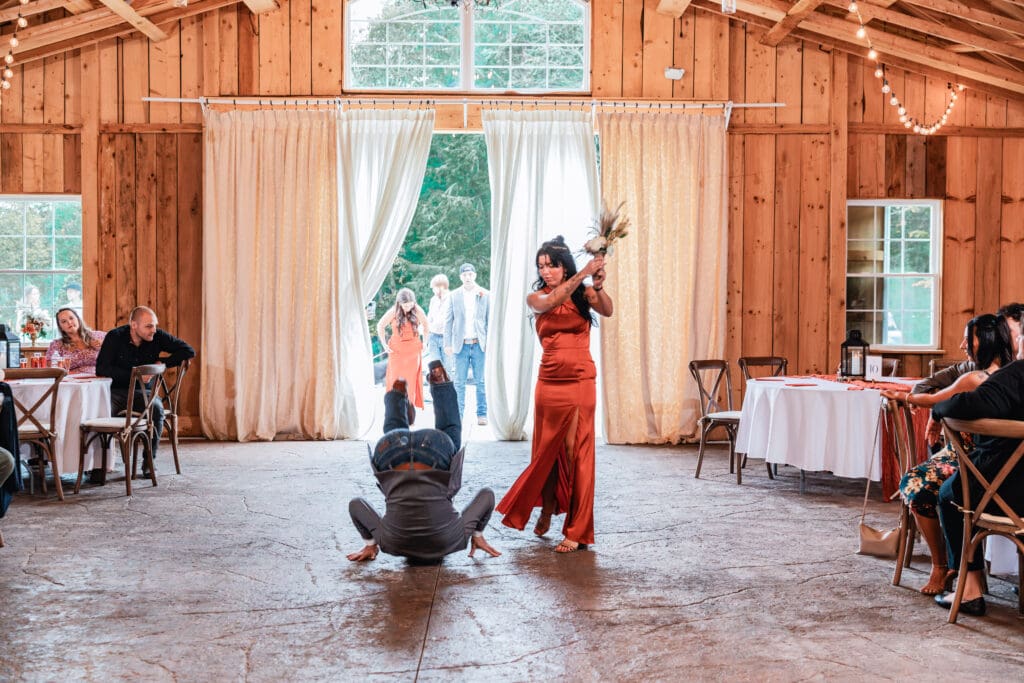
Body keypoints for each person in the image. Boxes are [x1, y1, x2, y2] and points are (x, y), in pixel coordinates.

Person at [882, 314, 1014, 595]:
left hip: (970, 462)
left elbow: (935, 400)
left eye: (970, 338)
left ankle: (942, 566)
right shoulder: (1012, 377)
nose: (964, 344)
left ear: (986, 340)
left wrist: (904, 398)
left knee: (915, 484)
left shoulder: (975, 379)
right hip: (1005, 466)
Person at [496, 237, 613, 553]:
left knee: (577, 454)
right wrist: (583, 272)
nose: (546, 271)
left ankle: (577, 529)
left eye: (552, 265)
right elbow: (549, 302)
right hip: (548, 382)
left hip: (579, 381)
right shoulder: (536, 298)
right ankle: (547, 507)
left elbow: (609, 311)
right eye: (541, 266)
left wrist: (597, 286)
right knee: (546, 451)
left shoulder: (583, 294)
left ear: (564, 266)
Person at [347, 361, 501, 563]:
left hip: (435, 449)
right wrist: (370, 542)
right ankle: (397, 395)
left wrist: (477, 534)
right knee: (396, 439)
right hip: (391, 452)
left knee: (450, 430)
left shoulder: (455, 539)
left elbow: (487, 495)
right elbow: (356, 505)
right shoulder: (389, 543)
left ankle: (439, 381)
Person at [931, 357, 1024, 617]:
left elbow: (969, 403)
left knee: (952, 494)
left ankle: (970, 590)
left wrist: (937, 410)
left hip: (1011, 494)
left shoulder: (1019, 373)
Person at [96, 306, 195, 475]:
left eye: (155, 325)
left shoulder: (157, 336)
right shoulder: (115, 336)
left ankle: (149, 460)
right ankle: (99, 466)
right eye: (149, 326)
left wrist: (162, 363)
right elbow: (102, 369)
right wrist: (135, 375)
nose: (154, 330)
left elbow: (188, 350)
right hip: (115, 392)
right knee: (97, 411)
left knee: (156, 409)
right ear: (134, 325)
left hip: (142, 393)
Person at [445, 263, 490, 426]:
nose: (468, 277)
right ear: (460, 277)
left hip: (479, 344)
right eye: (464, 275)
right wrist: (447, 343)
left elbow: (489, 321)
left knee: (481, 380)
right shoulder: (454, 295)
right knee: (459, 382)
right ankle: (458, 415)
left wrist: (489, 343)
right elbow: (448, 321)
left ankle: (482, 414)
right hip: (460, 345)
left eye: (470, 274)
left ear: (475, 275)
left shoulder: (485, 294)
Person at [377, 288, 427, 411]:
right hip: (397, 351)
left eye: (410, 304)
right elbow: (380, 326)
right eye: (405, 305)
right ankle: (395, 408)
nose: (408, 307)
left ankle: (407, 409)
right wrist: (384, 344)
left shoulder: (417, 310)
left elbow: (426, 327)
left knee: (410, 380)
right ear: (399, 303)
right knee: (395, 378)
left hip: (413, 350)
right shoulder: (393, 312)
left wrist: (425, 342)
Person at [45, 308, 106, 375]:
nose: (69, 322)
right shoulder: (56, 344)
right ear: (60, 327)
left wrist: (104, 344)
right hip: (70, 380)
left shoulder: (100, 336)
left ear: (78, 319)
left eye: (71, 318)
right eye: (64, 321)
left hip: (99, 378)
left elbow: (117, 352)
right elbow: (50, 367)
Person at [426, 274, 453, 376]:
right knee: (435, 368)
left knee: (448, 370)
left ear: (441, 286)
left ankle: (448, 391)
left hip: (447, 339)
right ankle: (436, 391)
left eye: (434, 288)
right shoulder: (433, 300)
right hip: (433, 337)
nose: (433, 290)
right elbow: (430, 318)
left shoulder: (452, 298)